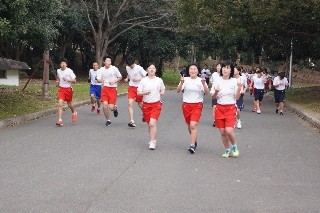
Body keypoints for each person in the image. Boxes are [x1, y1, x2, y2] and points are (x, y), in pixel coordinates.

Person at [176, 63, 209, 154]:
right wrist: (181, 83)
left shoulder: (201, 80)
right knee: (189, 126)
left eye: (195, 69)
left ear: (198, 71)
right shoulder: (185, 80)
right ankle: (194, 140)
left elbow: (207, 92)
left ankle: (192, 145)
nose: (193, 71)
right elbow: (178, 91)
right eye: (191, 69)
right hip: (186, 105)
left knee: (193, 125)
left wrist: (204, 84)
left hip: (197, 105)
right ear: (188, 71)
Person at [211, 61, 241, 158]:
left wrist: (239, 89)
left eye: (227, 68)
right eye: (223, 67)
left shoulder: (234, 81)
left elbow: (236, 98)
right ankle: (227, 149)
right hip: (219, 108)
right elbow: (213, 97)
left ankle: (234, 146)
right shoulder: (217, 81)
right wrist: (216, 92)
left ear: (231, 70)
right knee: (223, 132)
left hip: (230, 107)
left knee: (229, 131)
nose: (225, 69)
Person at [137, 62, 165, 150]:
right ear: (147, 70)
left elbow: (162, 88)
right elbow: (138, 92)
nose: (152, 69)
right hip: (146, 105)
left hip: (156, 104)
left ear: (155, 70)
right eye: (150, 68)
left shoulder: (159, 80)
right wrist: (145, 93)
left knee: (152, 123)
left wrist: (162, 92)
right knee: (149, 125)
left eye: (153, 68)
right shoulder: (143, 81)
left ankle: (152, 141)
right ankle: (152, 138)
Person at [97, 55, 122, 126]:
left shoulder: (114, 68)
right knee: (105, 106)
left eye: (110, 61)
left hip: (113, 89)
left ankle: (115, 108)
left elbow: (120, 77)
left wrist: (114, 81)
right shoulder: (101, 70)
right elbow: (98, 79)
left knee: (111, 107)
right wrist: (100, 80)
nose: (109, 62)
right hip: (105, 88)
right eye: (107, 61)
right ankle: (108, 120)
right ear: (104, 62)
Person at [124, 56, 147, 127]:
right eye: (128, 65)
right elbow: (129, 73)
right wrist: (127, 78)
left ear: (134, 62)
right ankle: (131, 121)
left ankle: (145, 113)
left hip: (139, 88)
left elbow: (146, 76)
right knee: (130, 103)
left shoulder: (139, 68)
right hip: (131, 87)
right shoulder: (127, 67)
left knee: (140, 104)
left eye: (131, 65)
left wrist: (138, 79)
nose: (130, 66)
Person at [55, 58, 77, 126]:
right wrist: (57, 81)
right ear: (60, 65)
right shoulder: (58, 71)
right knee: (60, 104)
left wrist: (68, 80)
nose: (63, 64)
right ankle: (60, 120)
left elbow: (74, 81)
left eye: (64, 63)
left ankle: (74, 112)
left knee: (69, 104)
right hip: (61, 89)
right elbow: (58, 77)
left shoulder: (69, 71)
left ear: (66, 64)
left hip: (68, 89)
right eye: (62, 63)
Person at [209, 62, 221, 127]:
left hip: (222, 94)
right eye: (218, 66)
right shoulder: (214, 74)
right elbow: (211, 81)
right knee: (214, 107)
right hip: (214, 92)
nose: (219, 67)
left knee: (220, 108)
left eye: (220, 66)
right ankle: (215, 121)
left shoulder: (224, 75)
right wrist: (214, 83)